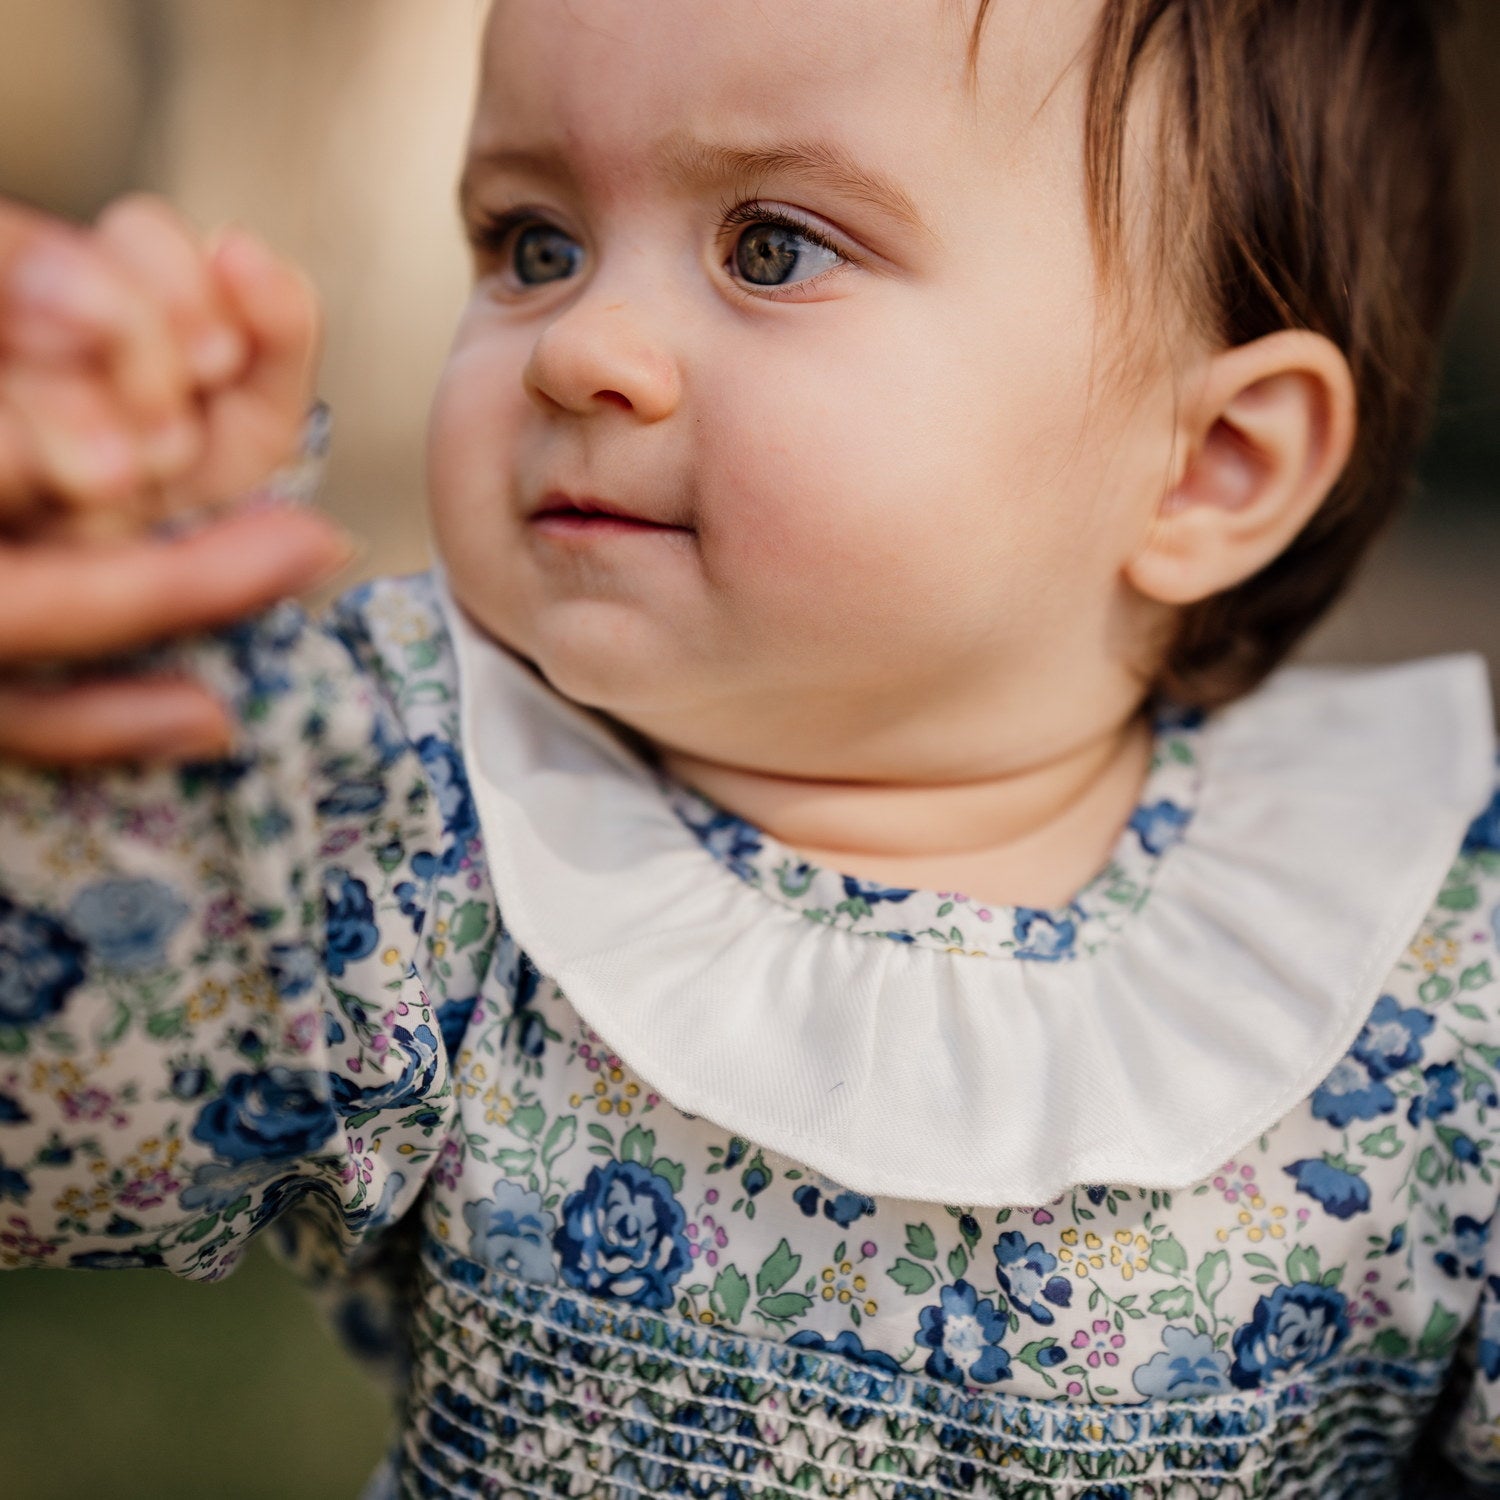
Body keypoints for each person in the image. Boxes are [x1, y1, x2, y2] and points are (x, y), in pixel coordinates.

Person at [0, 0, 1494, 1494]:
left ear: (1209, 465)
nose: (580, 347)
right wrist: (127, 663)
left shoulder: (1417, 957)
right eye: (535, 243)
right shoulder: (434, 814)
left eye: (770, 247)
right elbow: (72, 1118)